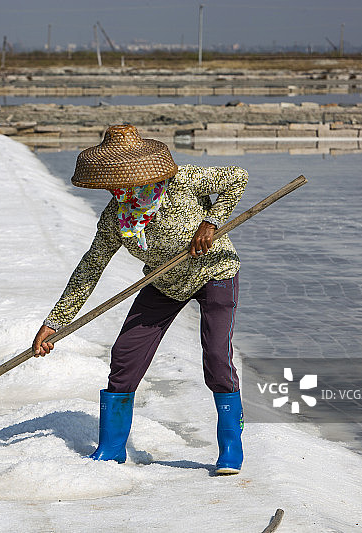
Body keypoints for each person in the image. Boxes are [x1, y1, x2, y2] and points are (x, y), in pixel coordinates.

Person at [32, 124, 248, 474]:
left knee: (216, 359)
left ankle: (230, 449)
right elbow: (90, 267)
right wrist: (54, 322)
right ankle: (112, 448)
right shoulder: (117, 216)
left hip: (214, 273)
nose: (118, 186)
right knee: (125, 354)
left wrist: (210, 222)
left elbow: (237, 177)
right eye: (113, 180)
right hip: (164, 281)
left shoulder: (184, 181)